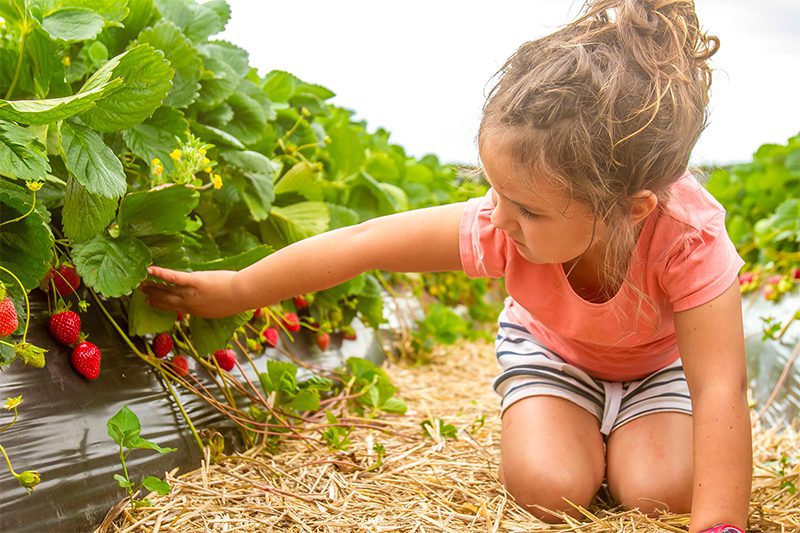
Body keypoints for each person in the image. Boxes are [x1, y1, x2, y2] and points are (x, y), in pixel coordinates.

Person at [140, 1, 751, 531]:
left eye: (530, 210)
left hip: (655, 371)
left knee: (659, 496)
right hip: (554, 356)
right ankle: (585, 430)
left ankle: (630, 437)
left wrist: (720, 524)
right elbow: (366, 242)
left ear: (629, 208)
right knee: (549, 491)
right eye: (495, 191)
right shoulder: (502, 220)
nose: (501, 220)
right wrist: (239, 288)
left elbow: (719, 386)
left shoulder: (687, 241)